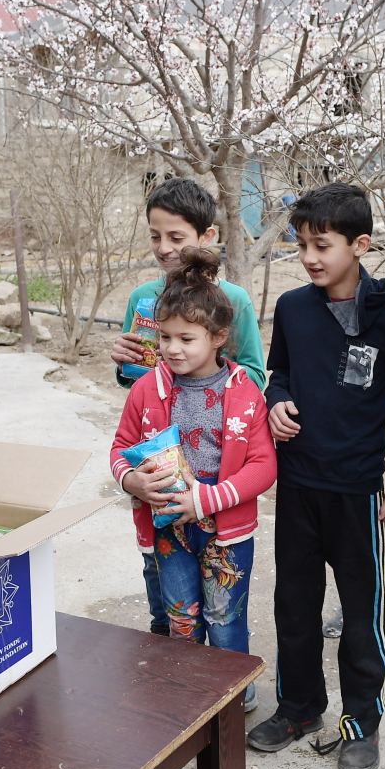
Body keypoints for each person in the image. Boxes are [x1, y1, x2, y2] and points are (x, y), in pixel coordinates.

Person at [245, 183, 385, 769]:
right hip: (297, 487)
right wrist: (276, 400)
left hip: (357, 495)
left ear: (360, 244)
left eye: (322, 245)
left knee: (361, 616)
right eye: (301, 245)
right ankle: (298, 709)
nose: (309, 257)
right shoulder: (294, 310)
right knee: (294, 606)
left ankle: (360, 724)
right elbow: (278, 373)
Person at [108, 247, 276, 712]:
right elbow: (120, 447)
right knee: (181, 617)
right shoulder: (148, 388)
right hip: (169, 532)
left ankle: (232, 697)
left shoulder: (244, 393)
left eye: (186, 338)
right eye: (165, 337)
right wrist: (132, 482)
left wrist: (207, 500)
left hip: (226, 533)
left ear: (219, 337)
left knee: (224, 618)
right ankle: (189, 696)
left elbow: (264, 466)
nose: (172, 348)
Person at [111, 177, 266, 643]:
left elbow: (253, 374)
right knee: (168, 603)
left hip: (216, 479)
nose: (164, 248)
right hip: (161, 484)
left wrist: (210, 380)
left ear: (206, 236)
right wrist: (126, 363)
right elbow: (139, 384)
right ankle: (173, 669)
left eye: (175, 237)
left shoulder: (232, 301)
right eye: (155, 236)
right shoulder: (143, 299)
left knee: (222, 614)